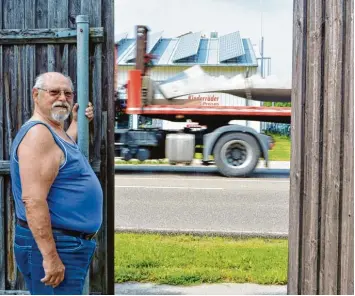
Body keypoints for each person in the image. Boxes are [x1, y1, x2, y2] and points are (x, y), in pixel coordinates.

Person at [10, 72, 103, 295]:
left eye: (67, 93)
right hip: (56, 244)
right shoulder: (38, 135)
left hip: (66, 242)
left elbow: (61, 150)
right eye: (54, 92)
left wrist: (79, 121)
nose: (62, 98)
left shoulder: (54, 131)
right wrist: (50, 257)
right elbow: (33, 201)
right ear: (36, 95)